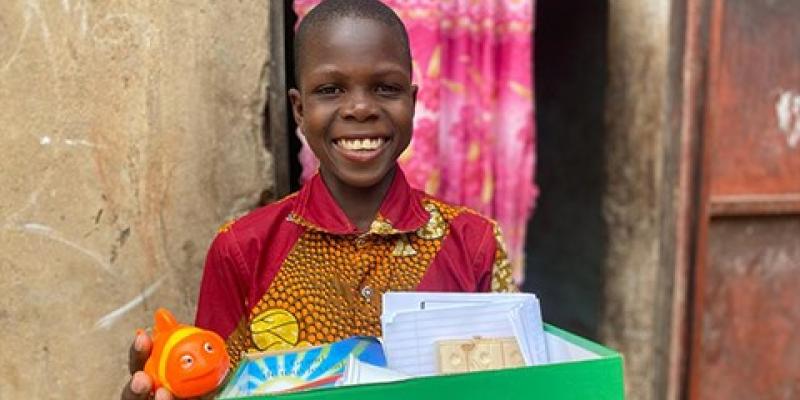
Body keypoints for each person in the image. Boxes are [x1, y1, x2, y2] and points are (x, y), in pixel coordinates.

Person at [121, 0, 515, 398]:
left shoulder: (473, 242)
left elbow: (514, 386)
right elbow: (211, 385)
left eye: (386, 88)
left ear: (412, 102)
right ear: (299, 108)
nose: (361, 108)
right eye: (330, 90)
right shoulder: (243, 249)